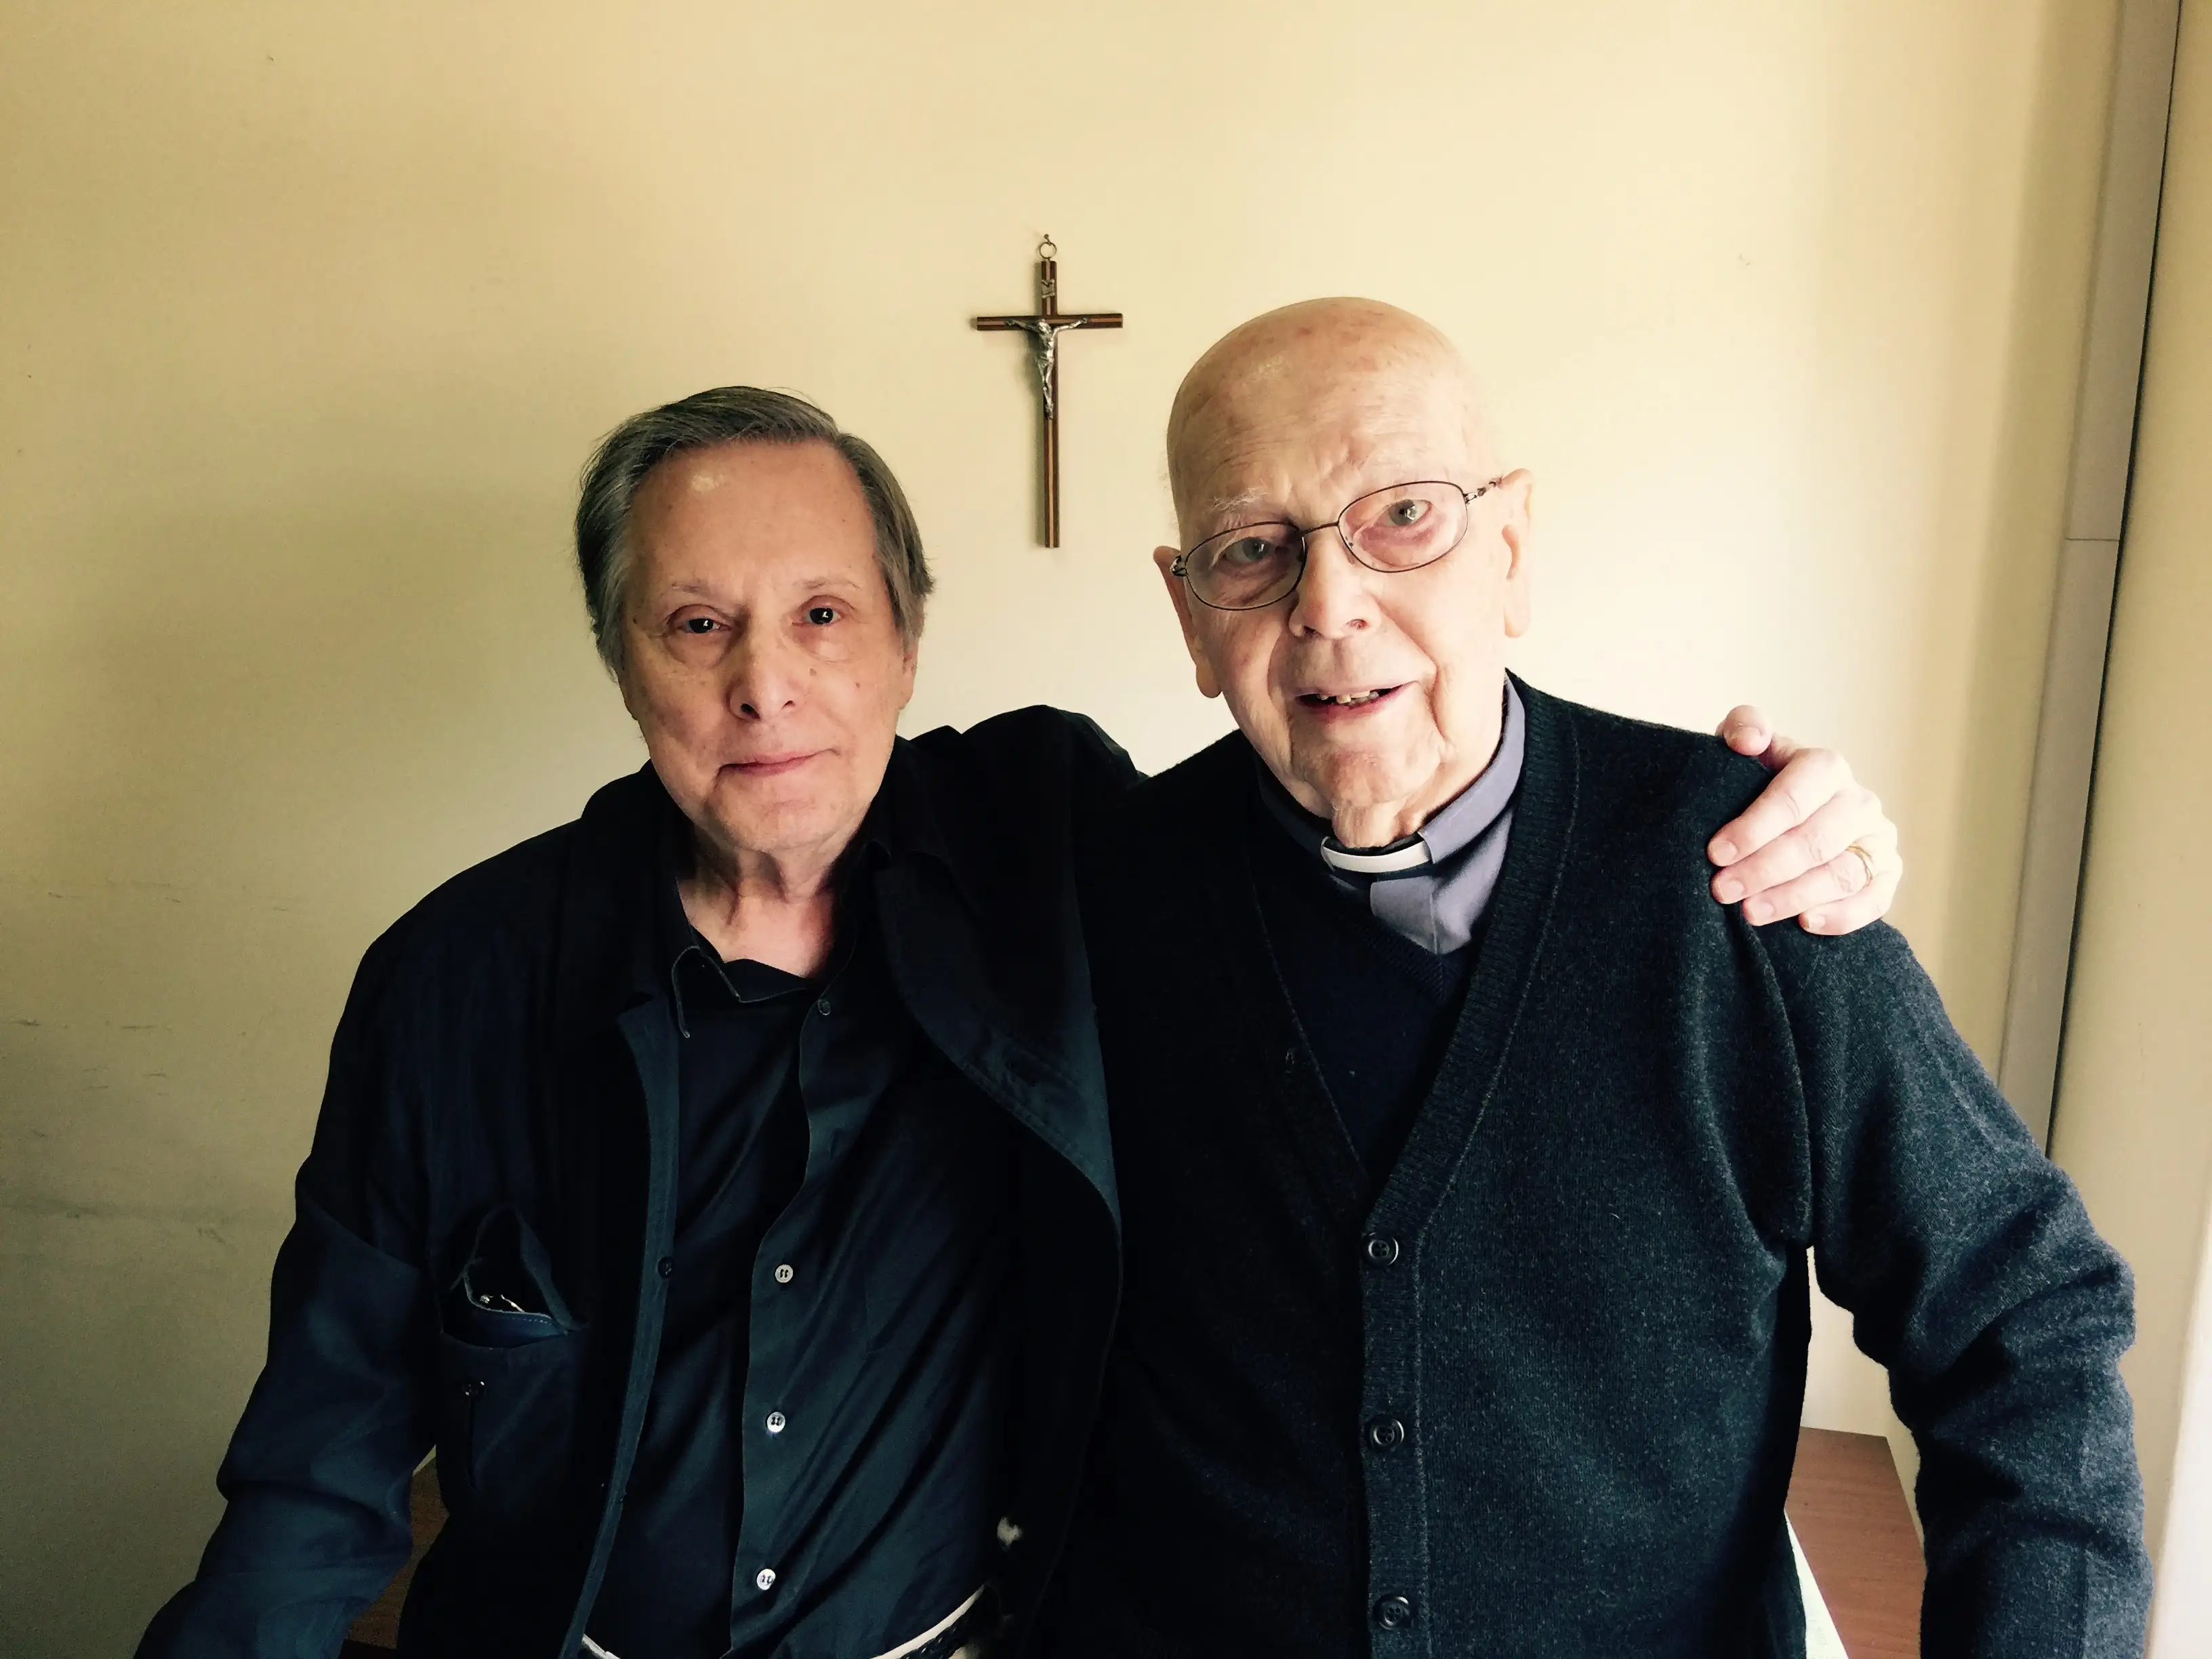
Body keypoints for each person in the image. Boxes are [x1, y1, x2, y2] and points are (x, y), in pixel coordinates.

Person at [137, 387, 1898, 1659]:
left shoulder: (1055, 850)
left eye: (825, 614)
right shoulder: (453, 983)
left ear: (907, 644)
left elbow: (1367, 815)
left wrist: (1779, 823)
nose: (770, 681)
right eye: (697, 625)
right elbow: (317, 1469)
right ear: (623, 661)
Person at [1044, 299, 2149, 1657]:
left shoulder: (1747, 872)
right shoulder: (1093, 892)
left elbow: (2020, 1319)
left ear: (1509, 548)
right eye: (1255, 550)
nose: (1328, 605)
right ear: (1190, 613)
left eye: (1404, 518)